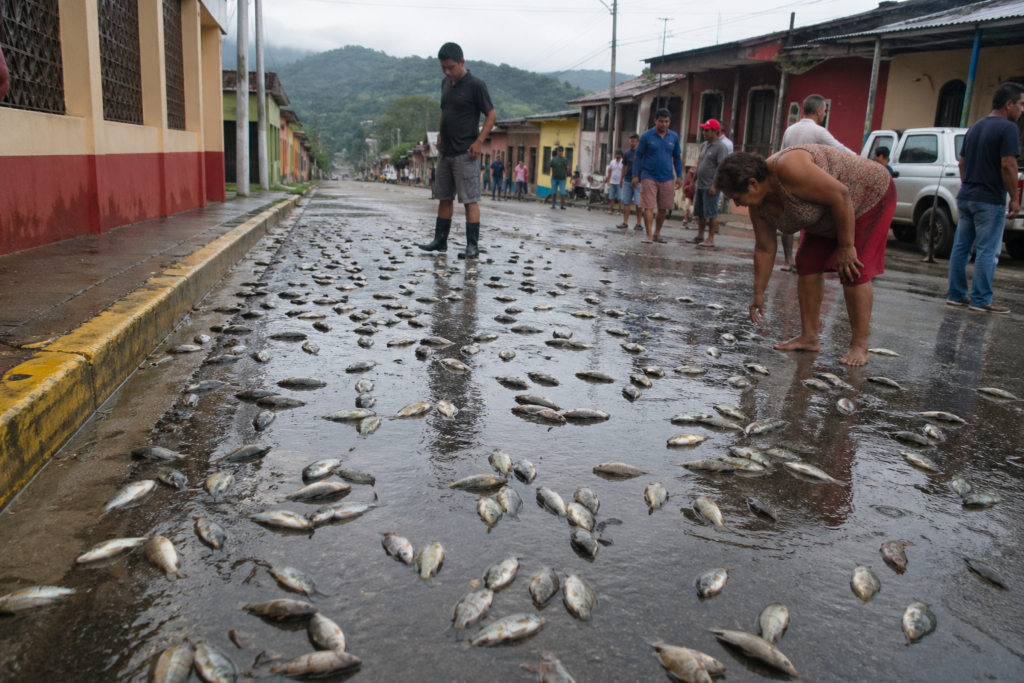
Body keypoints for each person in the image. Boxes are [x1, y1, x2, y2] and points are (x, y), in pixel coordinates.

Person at [715, 145, 897, 366]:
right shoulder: (758, 204)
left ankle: (860, 345)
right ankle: (809, 337)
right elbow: (765, 248)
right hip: (829, 211)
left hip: (867, 196)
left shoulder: (789, 168)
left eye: (737, 197)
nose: (736, 204)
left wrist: (847, 247)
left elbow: (841, 195)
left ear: (753, 183)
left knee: (852, 269)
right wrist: (758, 293)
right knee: (807, 263)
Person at [947, 82, 1024, 314]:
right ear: (1008, 104)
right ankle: (981, 300)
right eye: (1021, 104)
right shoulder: (1009, 128)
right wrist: (1014, 198)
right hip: (990, 199)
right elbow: (1008, 165)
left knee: (961, 247)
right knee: (987, 250)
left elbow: (962, 163)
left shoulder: (975, 127)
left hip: (967, 195)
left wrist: (969, 185)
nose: (1022, 110)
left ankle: (956, 295)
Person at [418, 42, 497, 260]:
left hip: (465, 152)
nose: (447, 72)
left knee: (469, 199)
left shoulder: (476, 85)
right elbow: (445, 111)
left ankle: (472, 247)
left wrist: (480, 140)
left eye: (451, 67)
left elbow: (491, 115)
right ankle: (440, 241)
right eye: (443, 67)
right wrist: (441, 133)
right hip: (445, 151)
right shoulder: (445, 83)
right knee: (444, 197)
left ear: (462, 62)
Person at [778, 94, 855, 271]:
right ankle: (805, 261)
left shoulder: (790, 130)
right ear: (819, 110)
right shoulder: (818, 131)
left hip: (788, 183)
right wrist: (860, 160)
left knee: (789, 222)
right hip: (809, 183)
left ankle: (787, 260)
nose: (825, 114)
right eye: (825, 111)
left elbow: (781, 154)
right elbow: (840, 149)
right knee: (811, 222)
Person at [632, 109, 682, 244]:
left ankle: (657, 233)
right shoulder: (646, 136)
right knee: (648, 206)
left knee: (663, 208)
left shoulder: (674, 137)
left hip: (667, 177)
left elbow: (677, 157)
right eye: (661, 121)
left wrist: (680, 176)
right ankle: (648, 235)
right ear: (655, 121)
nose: (663, 124)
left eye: (666, 122)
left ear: (669, 122)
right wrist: (635, 175)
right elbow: (638, 156)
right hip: (648, 176)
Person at [692, 119, 728, 248]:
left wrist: (715, 185)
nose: (704, 132)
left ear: (715, 131)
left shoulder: (721, 147)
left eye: (707, 130)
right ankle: (700, 236)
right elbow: (700, 164)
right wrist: (693, 180)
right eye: (704, 129)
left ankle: (710, 238)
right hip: (701, 184)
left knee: (712, 213)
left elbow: (721, 168)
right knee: (700, 213)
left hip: (710, 186)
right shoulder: (704, 145)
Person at [617, 133, 642, 229]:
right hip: (627, 179)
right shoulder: (627, 153)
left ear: (637, 141)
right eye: (630, 140)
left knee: (638, 203)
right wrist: (621, 179)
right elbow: (624, 166)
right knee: (626, 201)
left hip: (638, 180)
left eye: (634, 140)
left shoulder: (641, 152)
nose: (632, 141)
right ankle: (625, 222)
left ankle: (639, 223)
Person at [605, 149, 624, 215]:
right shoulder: (612, 162)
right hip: (612, 182)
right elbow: (609, 171)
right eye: (615, 153)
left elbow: (624, 171)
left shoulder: (623, 162)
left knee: (620, 198)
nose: (615, 155)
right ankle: (611, 210)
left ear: (619, 154)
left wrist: (622, 180)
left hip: (619, 182)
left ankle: (620, 211)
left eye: (616, 154)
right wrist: (608, 179)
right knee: (611, 197)